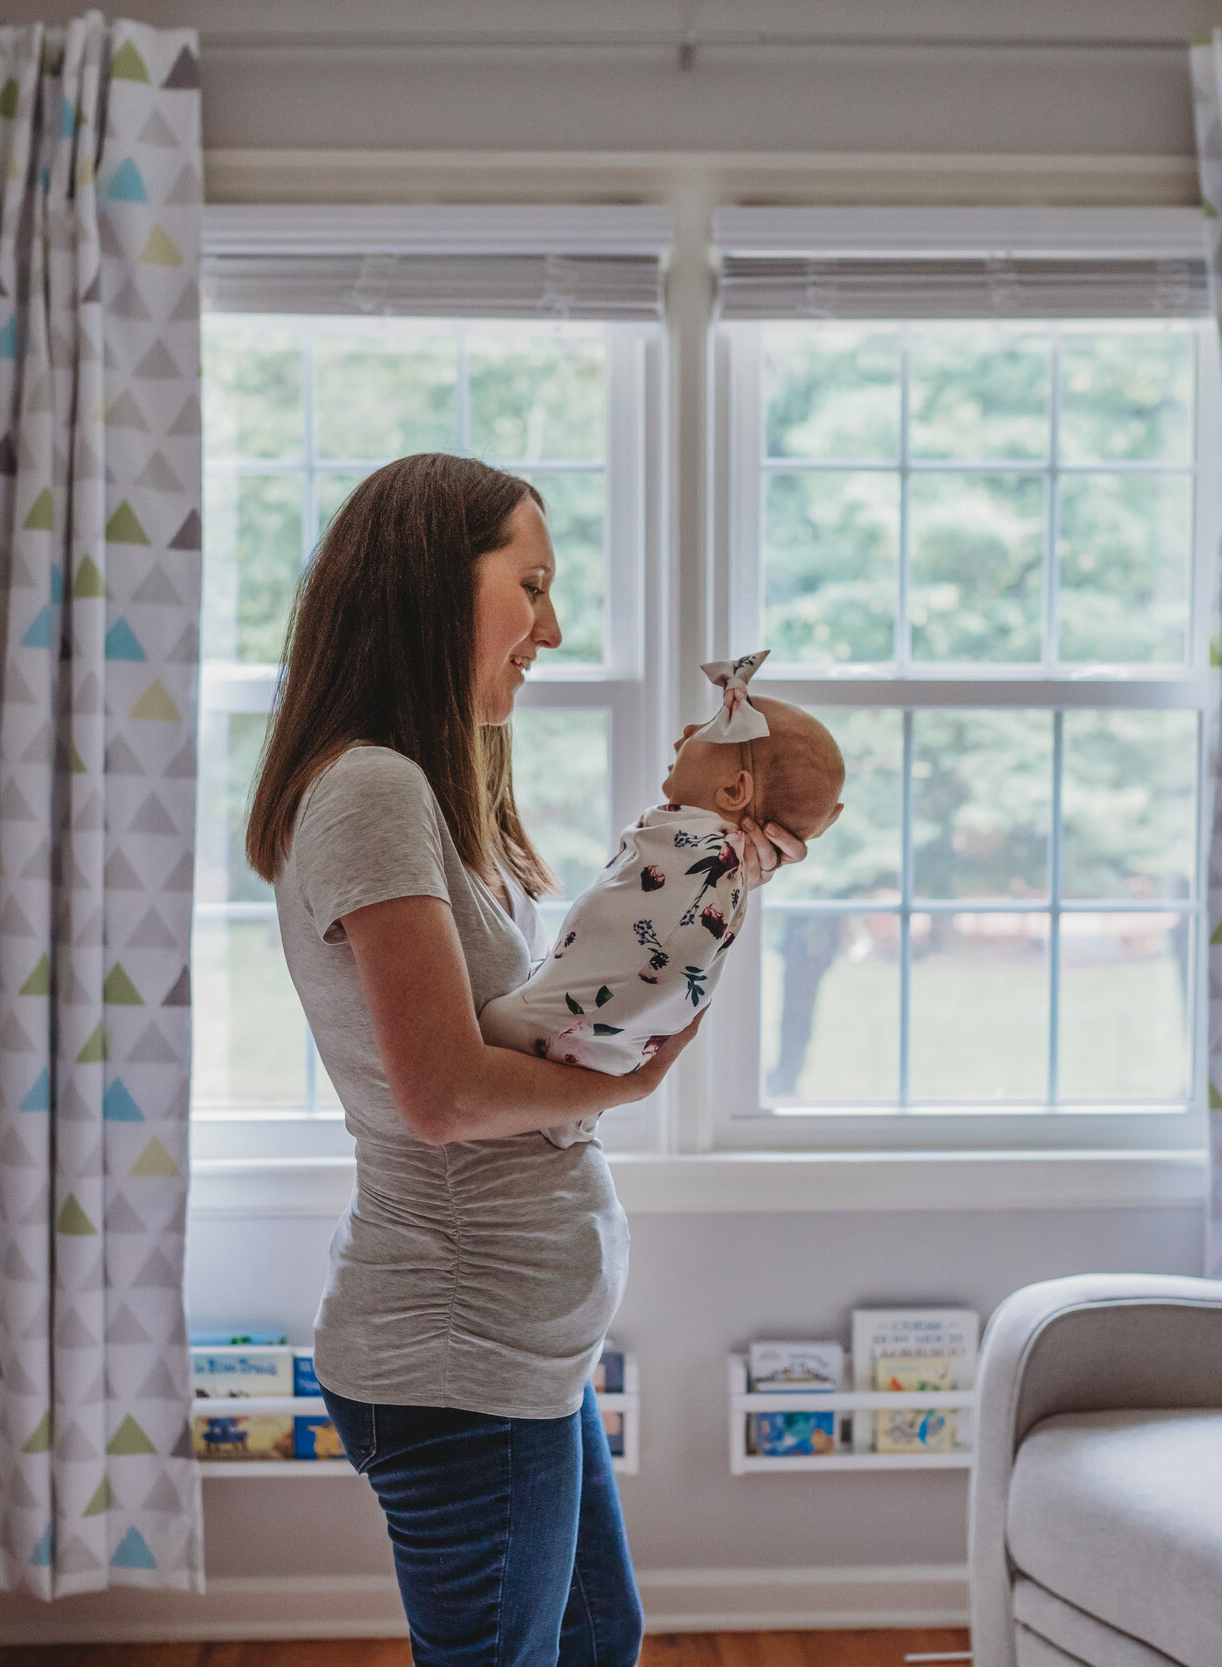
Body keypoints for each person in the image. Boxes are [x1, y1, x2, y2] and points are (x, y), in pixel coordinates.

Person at [244, 453, 806, 1665]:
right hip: (460, 1354)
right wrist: (632, 1083)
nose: (551, 627)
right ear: (430, 587)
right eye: (532, 584)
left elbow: (552, 1001)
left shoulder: (422, 795)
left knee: (601, 1636)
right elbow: (445, 1095)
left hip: (513, 1347)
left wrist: (712, 869)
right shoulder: (372, 790)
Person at [481, 651, 845, 1147]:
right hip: (569, 1048)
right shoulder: (698, 850)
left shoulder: (705, 862)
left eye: (714, 725)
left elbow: (662, 962)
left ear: (735, 790)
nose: (690, 728)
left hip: (549, 1034)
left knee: (494, 1027)